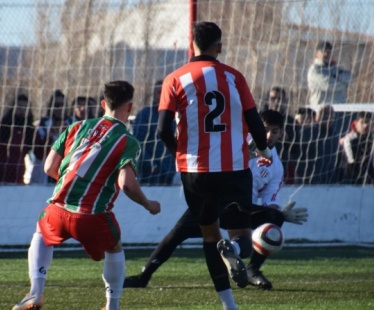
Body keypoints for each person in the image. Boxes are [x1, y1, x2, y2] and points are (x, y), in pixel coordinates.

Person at [11, 80, 161, 310]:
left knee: (41, 232)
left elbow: (49, 167)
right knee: (115, 248)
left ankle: (35, 292)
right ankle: (112, 308)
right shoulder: (128, 141)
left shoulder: (76, 127)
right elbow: (126, 184)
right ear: (130, 108)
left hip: (57, 210)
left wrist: (76, 182)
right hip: (92, 215)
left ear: (103, 104)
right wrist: (147, 203)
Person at [156, 21, 273, 310]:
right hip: (234, 169)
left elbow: (161, 130)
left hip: (195, 172)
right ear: (219, 47)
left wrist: (178, 154)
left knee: (210, 237)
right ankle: (232, 249)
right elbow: (257, 125)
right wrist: (264, 149)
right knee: (244, 242)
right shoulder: (235, 77)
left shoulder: (174, 79)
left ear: (191, 43)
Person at [124, 110, 308, 290]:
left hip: (240, 211)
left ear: (281, 133)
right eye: (265, 129)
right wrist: (243, 154)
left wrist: (280, 214)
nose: (268, 135)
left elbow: (269, 204)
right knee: (176, 234)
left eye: (274, 131)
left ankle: (251, 269)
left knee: (275, 217)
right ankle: (143, 277)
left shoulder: (276, 167)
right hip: (214, 197)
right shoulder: (239, 141)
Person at [132, 80, 176, 185]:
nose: (162, 95)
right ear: (154, 94)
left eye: (165, 92)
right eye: (159, 92)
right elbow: (138, 143)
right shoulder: (145, 114)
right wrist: (150, 165)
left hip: (174, 173)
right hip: (150, 175)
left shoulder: (177, 114)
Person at [24, 89, 67, 185]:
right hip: (44, 173)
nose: (60, 108)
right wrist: (50, 135)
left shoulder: (70, 124)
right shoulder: (41, 124)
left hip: (63, 172)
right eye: (56, 105)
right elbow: (39, 152)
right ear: (51, 106)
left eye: (62, 105)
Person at [0, 93, 36, 184]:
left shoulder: (30, 130)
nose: (22, 110)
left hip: (18, 177)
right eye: (19, 107)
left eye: (25, 108)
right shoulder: (1, 125)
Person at [341, 111, 374, 185]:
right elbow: (349, 166)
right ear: (356, 124)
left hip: (373, 183)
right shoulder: (349, 140)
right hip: (353, 183)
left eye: (368, 122)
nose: (365, 125)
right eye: (362, 122)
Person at [307, 41, 352, 106]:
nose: (326, 54)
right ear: (316, 53)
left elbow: (351, 77)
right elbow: (329, 85)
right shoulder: (315, 70)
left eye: (328, 52)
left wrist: (336, 76)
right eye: (323, 52)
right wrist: (345, 84)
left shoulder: (335, 68)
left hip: (339, 108)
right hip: (321, 108)